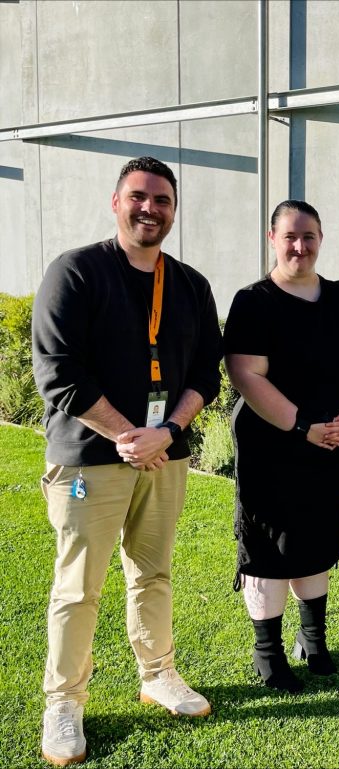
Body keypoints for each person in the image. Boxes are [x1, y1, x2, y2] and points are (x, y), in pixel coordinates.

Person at [31, 157, 222, 766]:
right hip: (91, 458)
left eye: (162, 200)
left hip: (164, 455)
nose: (150, 209)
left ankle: (158, 673)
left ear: (173, 209)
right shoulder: (77, 273)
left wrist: (166, 431)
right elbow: (59, 374)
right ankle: (63, 704)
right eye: (139, 197)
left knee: (153, 573)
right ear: (116, 202)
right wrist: (126, 434)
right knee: (78, 586)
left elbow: (203, 375)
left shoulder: (190, 284)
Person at [223, 200, 339, 693]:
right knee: (268, 546)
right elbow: (247, 375)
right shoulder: (254, 301)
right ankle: (267, 652)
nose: (300, 246)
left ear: (321, 238)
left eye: (309, 236)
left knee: (316, 538)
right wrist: (303, 425)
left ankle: (315, 641)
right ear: (272, 238)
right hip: (273, 445)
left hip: (330, 443)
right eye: (290, 236)